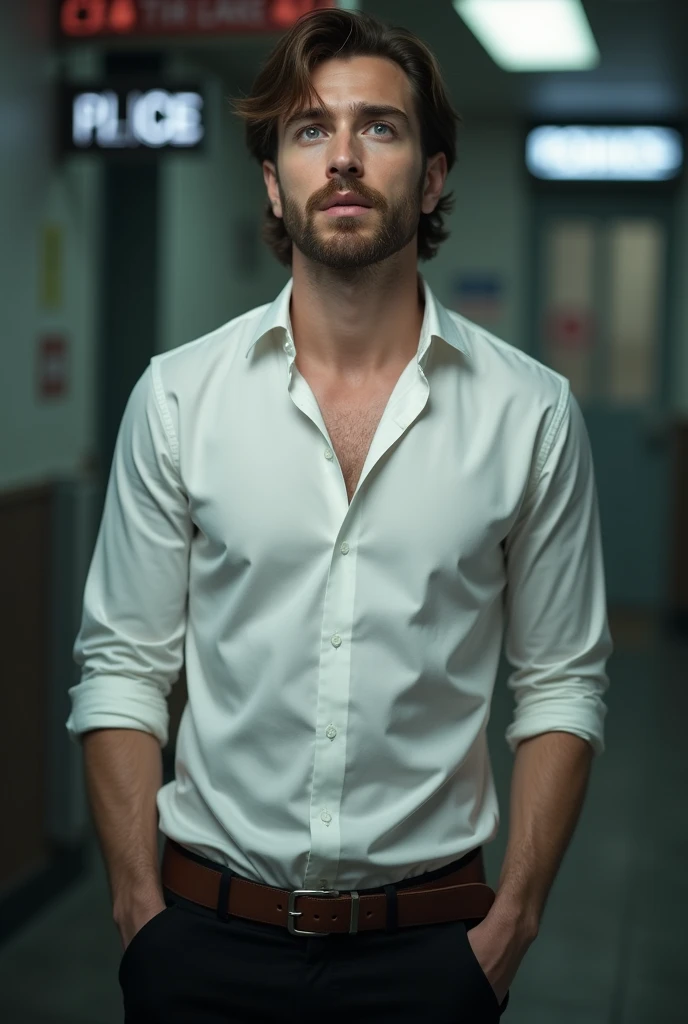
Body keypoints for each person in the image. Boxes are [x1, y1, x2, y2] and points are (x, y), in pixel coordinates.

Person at [66, 8, 613, 1023]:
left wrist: (514, 922)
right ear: (274, 179)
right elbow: (124, 668)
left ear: (434, 175)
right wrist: (140, 907)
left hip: (431, 950)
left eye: (381, 127)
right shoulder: (180, 397)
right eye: (311, 130)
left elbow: (560, 684)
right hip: (201, 940)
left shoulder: (530, 411)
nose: (346, 157)